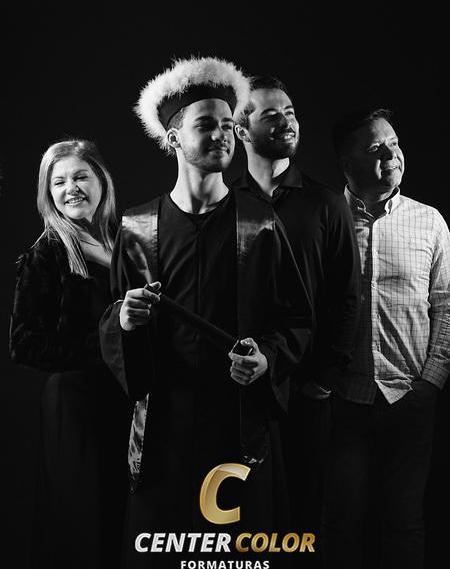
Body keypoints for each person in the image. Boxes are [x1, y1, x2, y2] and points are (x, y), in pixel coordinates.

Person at [99, 57, 312, 569]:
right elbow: (112, 320)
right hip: (162, 433)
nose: (222, 135)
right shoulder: (136, 228)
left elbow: (297, 322)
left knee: (236, 555)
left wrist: (267, 357)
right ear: (173, 138)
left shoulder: (261, 225)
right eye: (205, 124)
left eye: (228, 125)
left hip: (236, 426)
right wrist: (124, 320)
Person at [233, 75, 361, 546]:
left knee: (305, 522)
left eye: (290, 112)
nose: (287, 121)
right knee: (244, 519)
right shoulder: (227, 204)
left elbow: (347, 297)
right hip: (245, 391)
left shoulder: (326, 204)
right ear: (241, 130)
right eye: (271, 114)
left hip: (307, 393)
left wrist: (322, 380)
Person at [322, 108, 450, 569]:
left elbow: (447, 306)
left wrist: (431, 382)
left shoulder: (429, 221)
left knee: (405, 525)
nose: (391, 154)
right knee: (340, 525)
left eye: (394, 143)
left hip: (410, 400)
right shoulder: (326, 219)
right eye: (375, 148)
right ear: (346, 163)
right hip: (343, 401)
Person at [9, 140, 131, 569]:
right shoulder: (47, 253)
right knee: (81, 525)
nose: (71, 189)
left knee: (119, 520)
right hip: (76, 405)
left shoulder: (125, 243)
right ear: (48, 193)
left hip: (124, 402)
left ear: (102, 181)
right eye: (58, 182)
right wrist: (106, 348)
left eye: (80, 177)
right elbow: (24, 343)